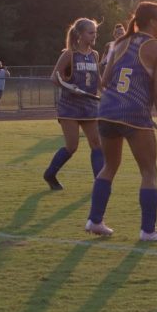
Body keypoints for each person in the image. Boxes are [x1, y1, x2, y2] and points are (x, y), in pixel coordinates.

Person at [84, 1, 157, 242]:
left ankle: (95, 219)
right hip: (134, 115)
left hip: (107, 111)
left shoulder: (119, 44)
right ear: (153, 21)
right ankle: (148, 230)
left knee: (109, 166)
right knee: (149, 171)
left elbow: (104, 82)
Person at [43, 18, 104, 190]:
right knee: (72, 146)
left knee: (97, 144)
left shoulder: (95, 55)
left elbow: (97, 80)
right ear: (80, 34)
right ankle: (50, 174)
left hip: (90, 105)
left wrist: (109, 94)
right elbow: (54, 77)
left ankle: (99, 183)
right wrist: (70, 87)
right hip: (70, 106)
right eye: (90, 32)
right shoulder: (69, 54)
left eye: (95, 32)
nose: (94, 36)